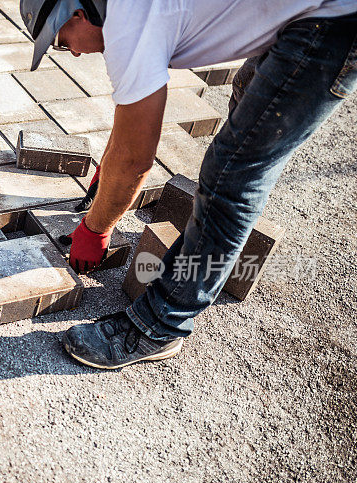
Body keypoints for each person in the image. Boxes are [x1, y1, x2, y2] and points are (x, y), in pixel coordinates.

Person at [20, 0, 357, 369]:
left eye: (62, 41)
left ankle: (161, 323)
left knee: (231, 173)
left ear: (78, 15)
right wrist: (110, 167)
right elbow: (132, 119)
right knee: (248, 93)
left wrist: (96, 227)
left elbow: (136, 159)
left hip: (335, 22)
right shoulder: (124, 13)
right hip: (306, 11)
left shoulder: (128, 26)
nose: (73, 53)